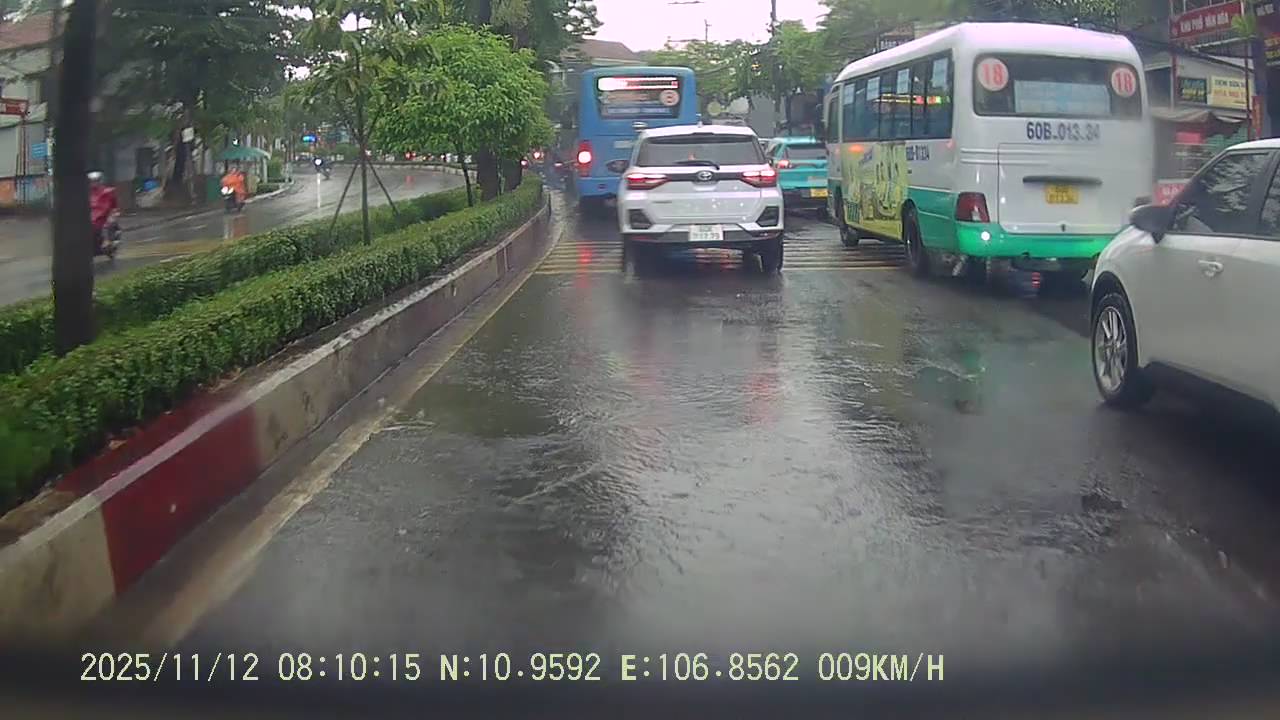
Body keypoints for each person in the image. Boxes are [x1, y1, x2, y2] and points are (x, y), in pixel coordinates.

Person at [88, 171, 119, 252]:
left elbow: (114, 205)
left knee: (108, 223)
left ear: (100, 181)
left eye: (96, 181)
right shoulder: (87, 193)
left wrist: (113, 213)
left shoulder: (107, 191)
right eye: (92, 181)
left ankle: (107, 241)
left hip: (105, 215)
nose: (94, 183)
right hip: (93, 216)